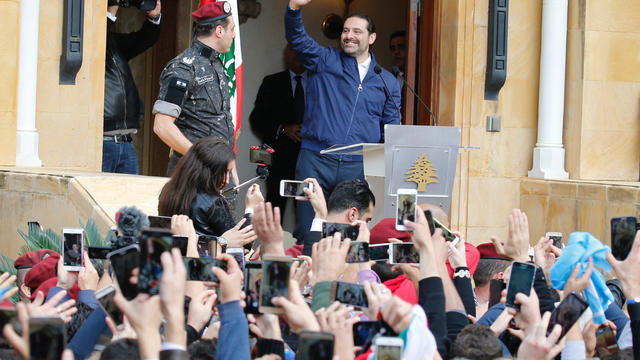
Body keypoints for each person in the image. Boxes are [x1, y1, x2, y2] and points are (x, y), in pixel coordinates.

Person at [285, 0, 402, 241]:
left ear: (372, 38)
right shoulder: (324, 59)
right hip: (315, 160)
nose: (349, 36)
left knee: (348, 235)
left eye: (357, 31)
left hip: (356, 167)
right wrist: (294, 9)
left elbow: (392, 130)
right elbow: (297, 39)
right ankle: (307, 277)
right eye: (346, 31)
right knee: (309, 231)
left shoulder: (386, 81)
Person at [152, 1, 238, 184]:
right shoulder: (183, 68)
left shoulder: (217, 65)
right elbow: (162, 126)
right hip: (194, 177)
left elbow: (222, 120)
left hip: (221, 175)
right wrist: (201, 159)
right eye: (232, 29)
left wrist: (232, 167)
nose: (234, 35)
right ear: (219, 31)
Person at [157, 137, 261, 249]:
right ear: (209, 170)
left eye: (229, 173)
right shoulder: (213, 203)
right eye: (224, 172)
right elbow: (243, 245)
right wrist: (252, 208)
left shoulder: (168, 191)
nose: (226, 180)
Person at [103, 0, 162, 174]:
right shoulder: (93, 44)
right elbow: (96, 39)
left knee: (127, 200)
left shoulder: (114, 44)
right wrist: (111, 8)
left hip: (126, 143)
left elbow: (143, 40)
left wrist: (154, 18)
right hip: (102, 144)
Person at [249, 45, 307, 221]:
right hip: (278, 162)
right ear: (286, 55)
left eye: (300, 50)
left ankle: (304, 248)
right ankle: (270, 248)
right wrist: (283, 128)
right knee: (274, 211)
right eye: (292, 50)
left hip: (308, 161)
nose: (296, 55)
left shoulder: (319, 84)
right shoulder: (272, 82)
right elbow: (256, 119)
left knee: (306, 212)